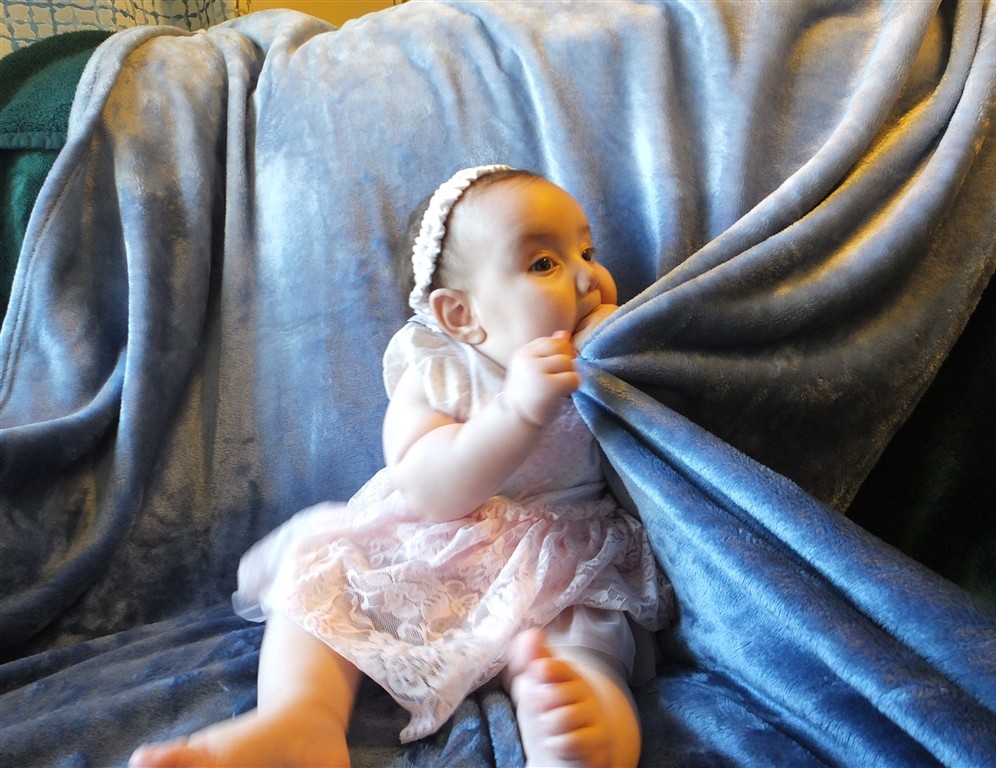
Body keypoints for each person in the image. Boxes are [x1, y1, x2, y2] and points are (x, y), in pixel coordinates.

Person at [130, 165, 673, 768]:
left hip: (557, 561)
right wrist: (518, 410)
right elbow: (429, 489)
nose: (587, 276)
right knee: (322, 587)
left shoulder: (602, 357)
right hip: (429, 550)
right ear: (461, 316)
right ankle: (302, 718)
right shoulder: (437, 368)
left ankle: (587, 731)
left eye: (587, 252)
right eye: (544, 263)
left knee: (582, 646)